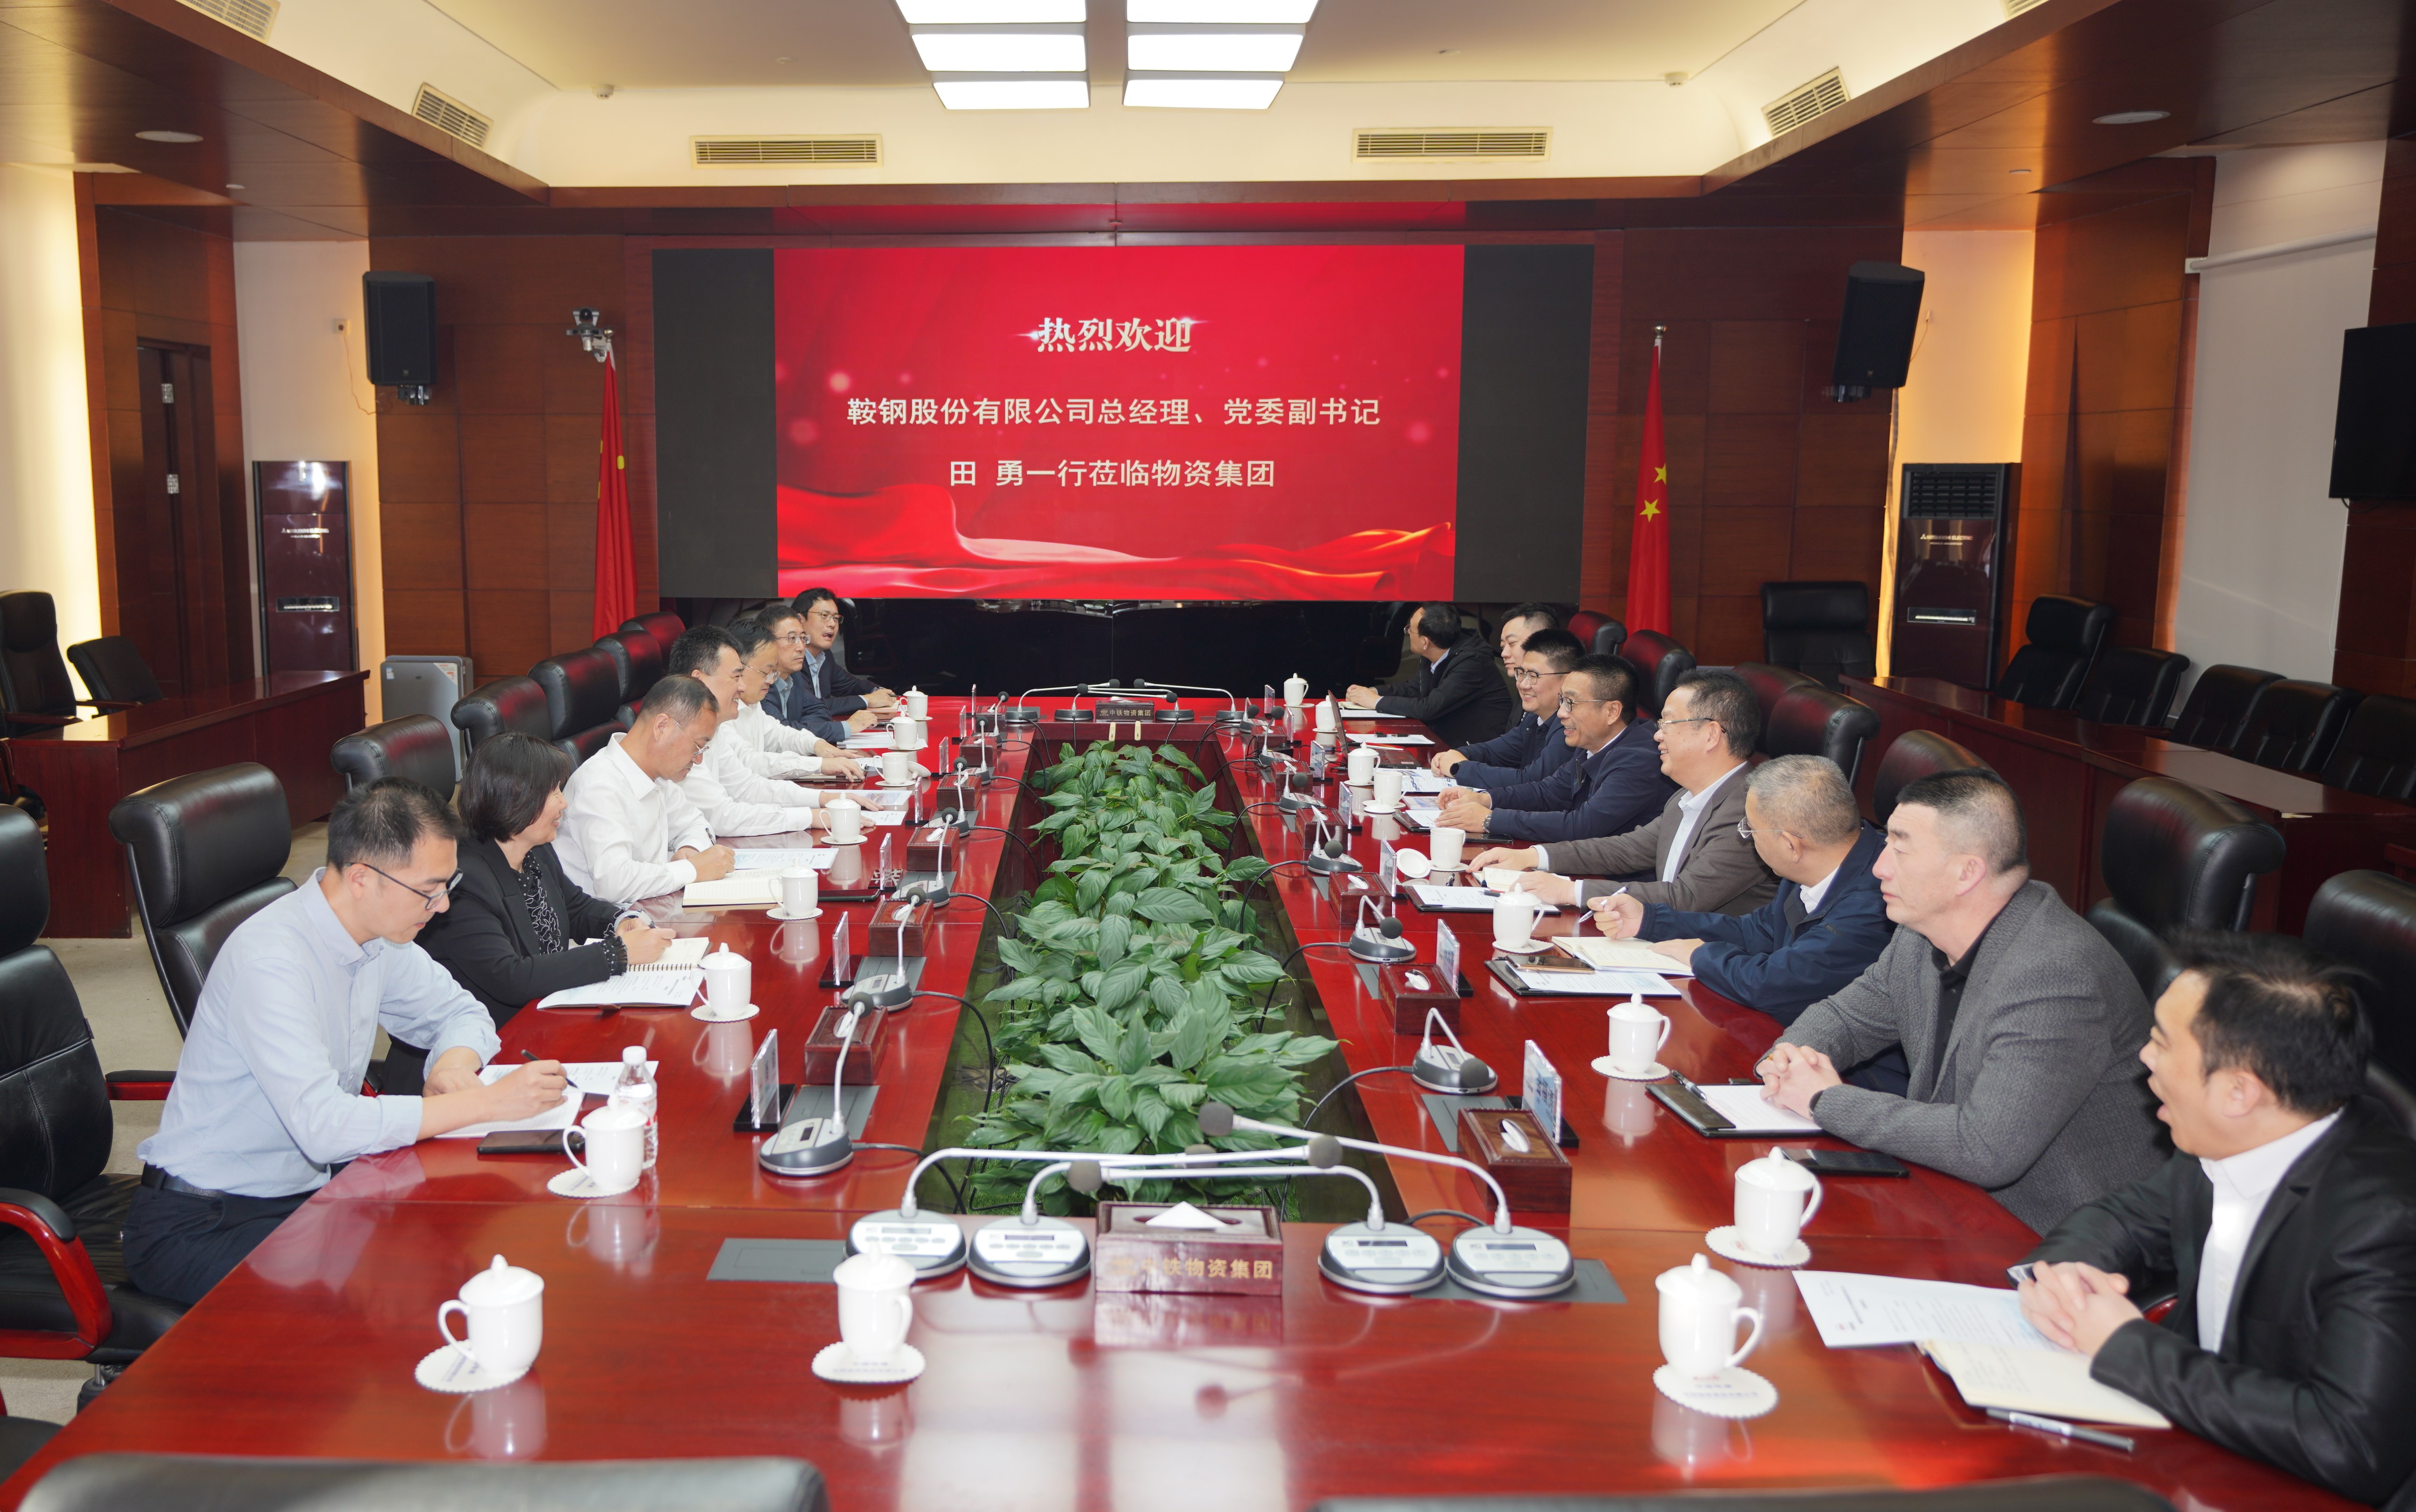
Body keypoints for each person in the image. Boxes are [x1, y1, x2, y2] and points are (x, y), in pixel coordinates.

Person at [122, 779, 570, 1305]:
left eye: (448, 884)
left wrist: (453, 1063)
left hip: (304, 1194)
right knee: (387, 1296)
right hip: (206, 1221)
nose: (443, 905)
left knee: (453, 1242)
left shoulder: (376, 934)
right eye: (429, 889)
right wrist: (485, 1104)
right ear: (361, 878)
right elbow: (325, 1127)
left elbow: (463, 1012)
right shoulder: (272, 962)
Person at [2018, 932, 2416, 1507]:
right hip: (2196, 1448)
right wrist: (2062, 1280)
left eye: (2162, 1041)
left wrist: (2125, 1347)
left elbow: (2349, 1444)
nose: (2144, 1056)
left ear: (2238, 1092)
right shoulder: (2232, 1135)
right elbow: (2123, 1218)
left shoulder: (2384, 1224)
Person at [1756, 769, 2162, 1233]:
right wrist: (1791, 1058)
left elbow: (1985, 1147)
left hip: (2051, 1239)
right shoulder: (1920, 934)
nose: (1879, 866)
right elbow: (1845, 1018)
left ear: (1966, 872)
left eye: (1900, 849)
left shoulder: (2055, 975)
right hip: (1948, 1198)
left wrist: (1825, 1100)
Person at [1590, 754, 1904, 1090]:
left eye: (1750, 828)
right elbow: (1752, 931)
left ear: (1791, 845)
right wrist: (1649, 920)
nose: (1748, 837)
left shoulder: (1875, 903)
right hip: (1791, 1046)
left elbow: (1773, 982)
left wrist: (1699, 955)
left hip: (1856, 1081)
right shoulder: (1815, 866)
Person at [416, 733, 678, 1066]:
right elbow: (511, 977)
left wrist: (621, 921)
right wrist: (617, 954)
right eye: (553, 792)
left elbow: (575, 906)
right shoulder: (464, 881)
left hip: (545, 1022)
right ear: (515, 798)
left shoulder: (535, 849)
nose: (563, 803)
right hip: (486, 1051)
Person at [1471, 669, 1774, 917]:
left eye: (1668, 723)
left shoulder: (1748, 809)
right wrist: (1532, 855)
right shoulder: (1687, 795)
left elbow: (1684, 897)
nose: (1658, 734)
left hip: (1710, 959)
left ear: (1710, 734)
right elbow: (1627, 849)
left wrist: (1570, 891)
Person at [1432, 653, 1672, 846]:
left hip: (1616, 883)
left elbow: (1582, 826)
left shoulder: (1639, 761)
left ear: (1611, 712)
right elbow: (1549, 792)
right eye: (1562, 701)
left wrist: (1490, 820)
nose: (1561, 713)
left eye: (1571, 703)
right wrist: (1485, 799)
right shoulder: (1592, 740)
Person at [555, 674, 735, 904]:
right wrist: (691, 869)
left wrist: (690, 848)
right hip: (611, 921)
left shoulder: (658, 775)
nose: (698, 760)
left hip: (654, 908)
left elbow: (697, 823)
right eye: (697, 746)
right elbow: (615, 883)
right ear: (662, 727)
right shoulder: (599, 787)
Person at [666, 624, 830, 836]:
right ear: (699, 680)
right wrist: (812, 816)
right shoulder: (676, 736)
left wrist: (823, 799)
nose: (742, 687)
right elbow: (723, 817)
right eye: (736, 677)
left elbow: (747, 787)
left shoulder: (713, 728)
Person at [1342, 601, 1516, 750]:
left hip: (1476, 751)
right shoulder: (1437, 648)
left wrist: (1375, 702)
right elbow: (1414, 688)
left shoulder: (1472, 662)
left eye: (1410, 629)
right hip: (1445, 739)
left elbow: (1430, 708)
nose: (1407, 632)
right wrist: (1373, 692)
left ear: (1425, 642)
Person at [1431, 627, 1584, 790]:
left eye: (1533, 676)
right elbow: (1492, 751)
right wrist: (1456, 755)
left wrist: (1459, 768)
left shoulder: (1570, 727)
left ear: (1568, 679)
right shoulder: (1534, 718)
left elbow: (1532, 781)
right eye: (1522, 674)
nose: (1523, 685)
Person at [726, 618, 865, 783]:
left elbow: (780, 735)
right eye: (766, 673)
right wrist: (819, 765)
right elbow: (751, 763)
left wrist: (816, 744)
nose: (772, 680)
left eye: (773, 673)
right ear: (738, 667)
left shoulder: (753, 703)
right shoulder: (722, 712)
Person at [769, 588, 892, 738]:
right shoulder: (789, 666)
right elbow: (811, 710)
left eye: (836, 618)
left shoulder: (825, 656)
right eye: (825, 616)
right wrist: (868, 700)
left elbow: (847, 687)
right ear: (800, 620)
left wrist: (878, 691)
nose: (833, 624)